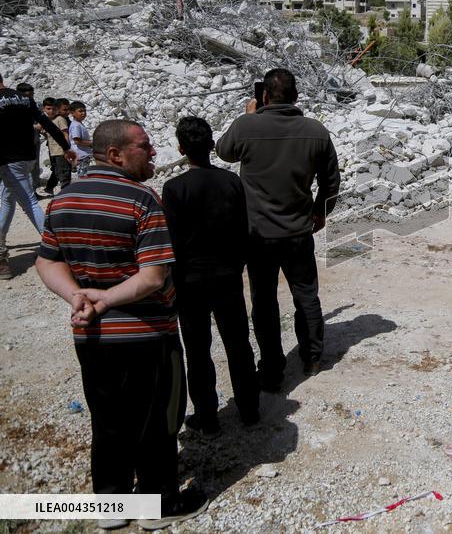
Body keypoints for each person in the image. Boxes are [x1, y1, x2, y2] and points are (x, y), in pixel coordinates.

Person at [34, 119, 208, 531]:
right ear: (116, 154)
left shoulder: (63, 201)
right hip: (147, 335)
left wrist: (77, 296)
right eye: (144, 147)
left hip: (92, 336)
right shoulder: (142, 201)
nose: (153, 153)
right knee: (157, 420)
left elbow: (47, 261)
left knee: (108, 418)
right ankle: (158, 504)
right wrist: (106, 298)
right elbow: (153, 277)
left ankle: (111, 505)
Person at [216, 68, 340, 391]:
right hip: (299, 232)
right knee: (307, 296)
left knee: (265, 302)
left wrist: (246, 116)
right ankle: (312, 357)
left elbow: (222, 151)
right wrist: (320, 212)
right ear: (296, 96)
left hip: (258, 236)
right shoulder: (317, 132)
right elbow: (331, 182)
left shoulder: (247, 126)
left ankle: (272, 369)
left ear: (265, 96)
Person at [162, 117, 260, 436]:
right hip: (227, 277)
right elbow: (244, 230)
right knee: (238, 345)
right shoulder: (232, 182)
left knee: (198, 350)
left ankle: (207, 416)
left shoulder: (174, 188)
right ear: (212, 145)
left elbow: (172, 242)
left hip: (190, 283)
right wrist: (238, 264)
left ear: (181, 149)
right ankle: (249, 410)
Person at [0, 74, 76, 280]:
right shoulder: (23, 98)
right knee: (7, 199)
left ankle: (59, 250)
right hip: (28, 158)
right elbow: (47, 122)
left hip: (8, 161)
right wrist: (66, 147)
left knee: (29, 203)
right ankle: (2, 244)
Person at [42, 97, 73, 196]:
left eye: (54, 109)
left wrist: (66, 149)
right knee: (57, 171)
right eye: (49, 109)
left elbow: (65, 134)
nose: (52, 111)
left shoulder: (60, 119)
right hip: (54, 152)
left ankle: (66, 194)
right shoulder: (51, 120)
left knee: (64, 173)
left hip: (61, 151)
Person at [16, 84, 43, 191]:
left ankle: (33, 191)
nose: (30, 98)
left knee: (35, 166)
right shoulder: (15, 108)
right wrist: (34, 126)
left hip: (35, 140)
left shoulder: (33, 106)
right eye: (28, 95)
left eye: (32, 95)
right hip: (23, 142)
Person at [68, 100, 93, 176]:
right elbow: (77, 141)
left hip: (83, 155)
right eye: (80, 111)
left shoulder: (78, 124)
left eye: (85, 111)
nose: (83, 113)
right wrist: (91, 143)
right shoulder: (76, 125)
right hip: (81, 155)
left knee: (85, 174)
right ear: (72, 113)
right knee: (83, 175)